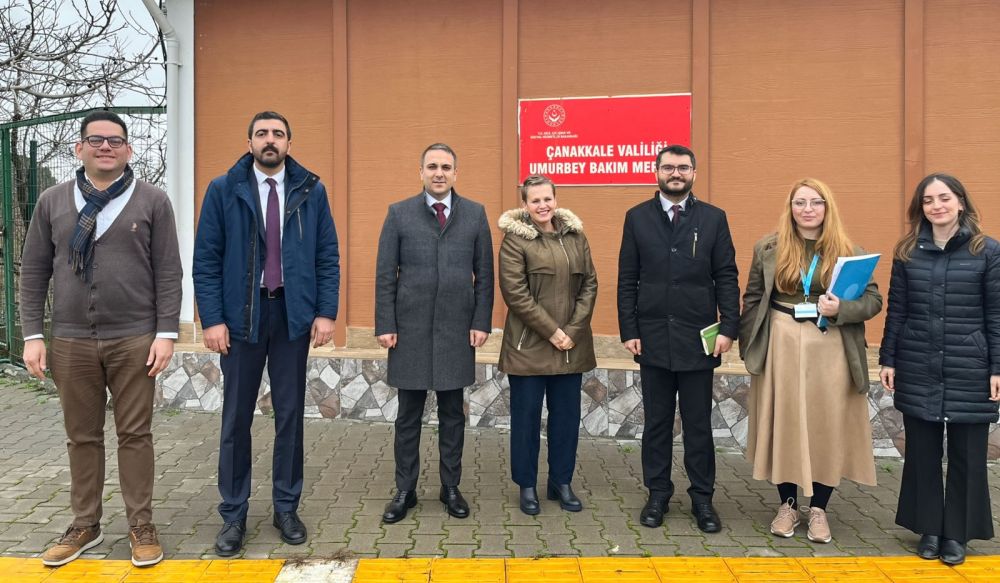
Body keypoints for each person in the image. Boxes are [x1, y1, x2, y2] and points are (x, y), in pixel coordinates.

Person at [19, 110, 182, 567]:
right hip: (71, 340)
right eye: (96, 140)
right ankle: (85, 524)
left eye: (115, 140)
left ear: (128, 149)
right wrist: (33, 335)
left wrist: (166, 332)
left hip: (135, 338)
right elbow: (34, 271)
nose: (105, 147)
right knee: (81, 436)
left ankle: (141, 525)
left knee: (135, 434)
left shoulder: (152, 200)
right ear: (79, 148)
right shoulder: (52, 201)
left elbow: (168, 271)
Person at [193, 111, 340, 556]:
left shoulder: (311, 190)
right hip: (242, 318)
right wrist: (212, 319)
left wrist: (325, 312)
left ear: (289, 143)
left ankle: (286, 508)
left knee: (290, 415)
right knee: (236, 418)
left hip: (292, 317)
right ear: (250, 142)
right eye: (262, 134)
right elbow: (206, 260)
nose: (270, 140)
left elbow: (327, 255)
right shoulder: (224, 189)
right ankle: (233, 514)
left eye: (278, 134)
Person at [739, 178, 881, 544]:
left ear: (827, 207)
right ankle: (787, 505)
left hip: (830, 346)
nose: (808, 209)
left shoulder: (850, 251)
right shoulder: (768, 248)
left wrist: (842, 308)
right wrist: (748, 345)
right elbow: (753, 298)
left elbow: (873, 301)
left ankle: (818, 508)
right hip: (781, 343)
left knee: (825, 425)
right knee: (785, 422)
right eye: (800, 202)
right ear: (790, 208)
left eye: (816, 202)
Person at [617, 144, 740, 533]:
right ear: (656, 172)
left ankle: (702, 499)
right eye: (668, 167)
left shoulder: (713, 218)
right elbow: (627, 278)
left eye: (683, 167)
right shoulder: (637, 217)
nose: (675, 173)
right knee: (656, 423)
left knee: (698, 423)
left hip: (698, 339)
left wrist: (729, 327)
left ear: (693, 174)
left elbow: (726, 275)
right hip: (652, 337)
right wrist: (629, 329)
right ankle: (658, 494)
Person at [879, 173, 1000, 566]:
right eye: (928, 200)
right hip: (918, 362)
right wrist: (889, 358)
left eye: (944, 198)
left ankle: (957, 533)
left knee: (968, 453)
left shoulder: (987, 251)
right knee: (922, 452)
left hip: (971, 366)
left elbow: (996, 314)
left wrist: (997, 367)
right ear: (921, 208)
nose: (937, 206)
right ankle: (928, 528)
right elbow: (897, 309)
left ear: (961, 202)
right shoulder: (907, 252)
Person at [375, 143, 494, 523]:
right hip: (409, 330)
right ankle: (405, 490)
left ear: (455, 173)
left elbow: (485, 274)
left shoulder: (474, 214)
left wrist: (481, 321)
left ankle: (450, 487)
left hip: (456, 330)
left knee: (452, 414)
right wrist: (385, 324)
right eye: (432, 166)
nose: (439, 173)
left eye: (445, 167)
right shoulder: (398, 214)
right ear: (421, 172)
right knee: (408, 416)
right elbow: (385, 274)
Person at [497, 175, 598, 516]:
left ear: (556, 200)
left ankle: (561, 482)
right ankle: (526, 485)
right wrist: (554, 332)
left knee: (566, 420)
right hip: (529, 347)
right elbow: (516, 294)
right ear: (525, 204)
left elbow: (590, 285)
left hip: (571, 346)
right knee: (526, 420)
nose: (542, 205)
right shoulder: (515, 240)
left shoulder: (576, 236)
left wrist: (573, 330)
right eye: (535, 200)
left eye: (547, 199)